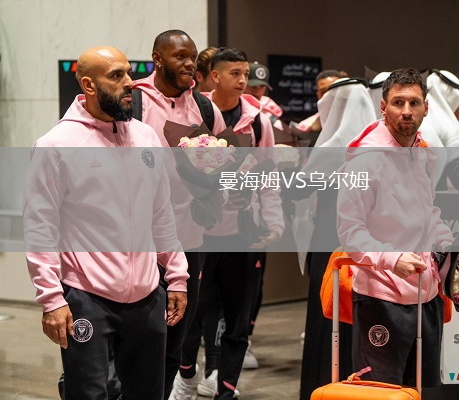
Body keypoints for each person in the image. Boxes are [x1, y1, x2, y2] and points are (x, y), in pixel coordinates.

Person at [23, 46, 189, 400]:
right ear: (89, 85)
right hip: (87, 297)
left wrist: (176, 275)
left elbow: (161, 212)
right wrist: (52, 299)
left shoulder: (146, 137)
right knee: (89, 394)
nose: (130, 82)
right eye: (116, 75)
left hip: (148, 295)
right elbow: (39, 228)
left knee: (149, 393)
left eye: (128, 72)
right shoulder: (56, 144)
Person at [175, 47, 285, 400]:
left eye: (245, 74)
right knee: (191, 317)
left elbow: (268, 176)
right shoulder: (195, 113)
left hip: (242, 234)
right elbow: (182, 178)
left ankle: (225, 390)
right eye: (235, 73)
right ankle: (186, 377)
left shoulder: (258, 121)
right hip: (200, 234)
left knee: (237, 321)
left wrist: (274, 222)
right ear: (214, 76)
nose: (242, 80)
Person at [336, 68, 453, 387]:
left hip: (426, 296)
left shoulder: (423, 152)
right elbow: (350, 232)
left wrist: (446, 241)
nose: (406, 110)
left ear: (426, 108)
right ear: (383, 107)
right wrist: (392, 258)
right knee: (381, 391)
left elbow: (428, 212)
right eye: (398, 102)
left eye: (414, 103)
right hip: (381, 298)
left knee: (421, 390)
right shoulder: (363, 160)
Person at [131, 29, 227, 400]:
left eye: (192, 56)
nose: (189, 63)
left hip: (189, 240)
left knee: (175, 337)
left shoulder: (204, 107)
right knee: (136, 338)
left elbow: (225, 160)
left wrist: (214, 180)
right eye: (179, 56)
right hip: (139, 242)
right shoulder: (134, 101)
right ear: (157, 58)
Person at [293, 77, 377, 400]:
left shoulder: (331, 147)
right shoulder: (377, 145)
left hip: (330, 242)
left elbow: (298, 189)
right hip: (367, 246)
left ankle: (322, 387)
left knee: (326, 315)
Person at [244, 61, 284, 129]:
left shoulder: (272, 121)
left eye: (262, 86)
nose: (257, 91)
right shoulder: (229, 111)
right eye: (253, 86)